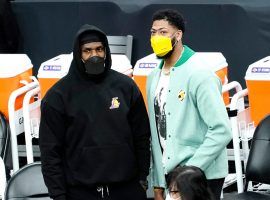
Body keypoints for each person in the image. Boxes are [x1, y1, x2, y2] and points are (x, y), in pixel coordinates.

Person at [39, 24, 150, 200]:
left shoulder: (126, 87)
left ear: (106, 51)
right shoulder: (58, 96)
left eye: (99, 49)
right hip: (80, 192)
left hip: (127, 189)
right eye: (87, 51)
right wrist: (58, 194)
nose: (94, 55)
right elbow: (49, 152)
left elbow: (142, 136)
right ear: (78, 54)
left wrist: (142, 177)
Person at [146, 9, 232, 200]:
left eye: (163, 32)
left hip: (202, 177)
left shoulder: (200, 74)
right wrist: (158, 182)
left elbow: (221, 130)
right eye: (153, 32)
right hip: (170, 177)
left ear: (178, 35)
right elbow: (156, 136)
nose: (156, 37)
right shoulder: (152, 77)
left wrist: (189, 173)